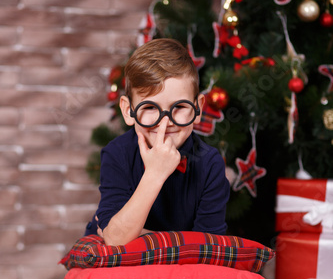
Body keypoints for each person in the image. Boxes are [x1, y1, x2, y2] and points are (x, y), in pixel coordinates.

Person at [85, 38, 230, 246]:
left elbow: (208, 247)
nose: (165, 122)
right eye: (150, 108)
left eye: (179, 107)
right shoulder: (117, 153)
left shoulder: (210, 163)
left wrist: (143, 234)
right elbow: (115, 239)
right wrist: (155, 174)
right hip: (118, 269)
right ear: (128, 111)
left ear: (197, 109)